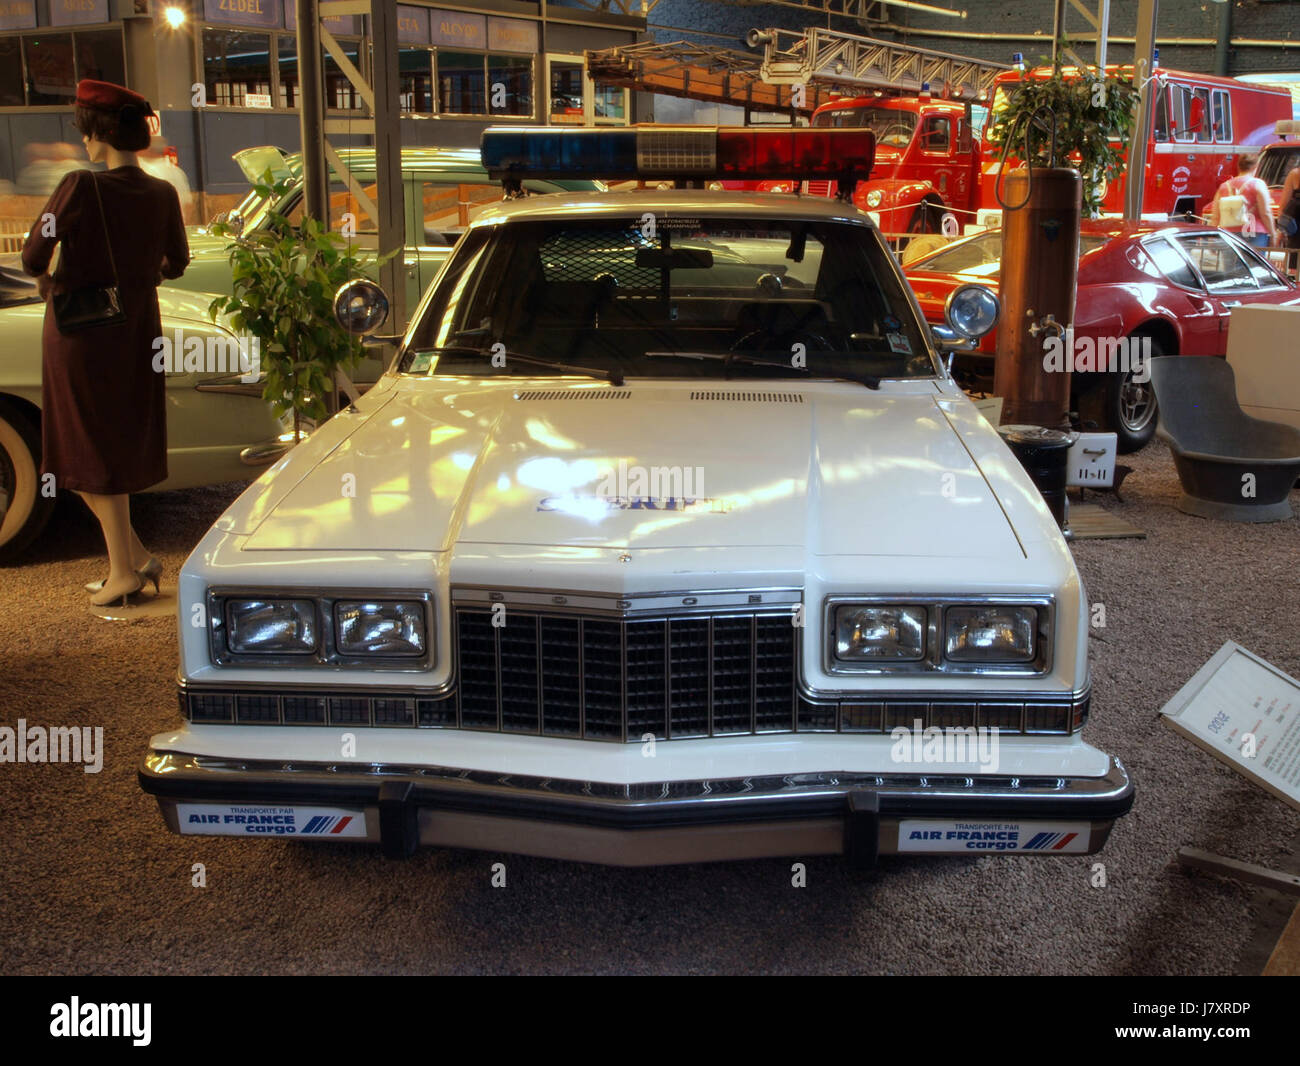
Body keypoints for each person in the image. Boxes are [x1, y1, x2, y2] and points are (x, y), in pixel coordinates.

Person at [21, 79, 190, 607]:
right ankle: (135, 559)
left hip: (80, 336)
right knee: (105, 446)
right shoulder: (162, 193)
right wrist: (138, 278)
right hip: (137, 332)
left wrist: (50, 278)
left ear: (100, 132)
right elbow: (176, 262)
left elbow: (31, 253)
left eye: (87, 130)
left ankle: (123, 572)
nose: (85, 142)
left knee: (83, 449)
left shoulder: (79, 186)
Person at [1208, 155, 1277, 248]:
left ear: (1238, 167)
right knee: (1254, 262)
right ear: (1255, 167)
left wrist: (1212, 238)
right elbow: (1265, 212)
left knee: (1230, 262)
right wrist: (1273, 234)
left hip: (1229, 233)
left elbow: (1216, 216)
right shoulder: (1258, 184)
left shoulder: (1224, 186)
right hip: (1254, 231)